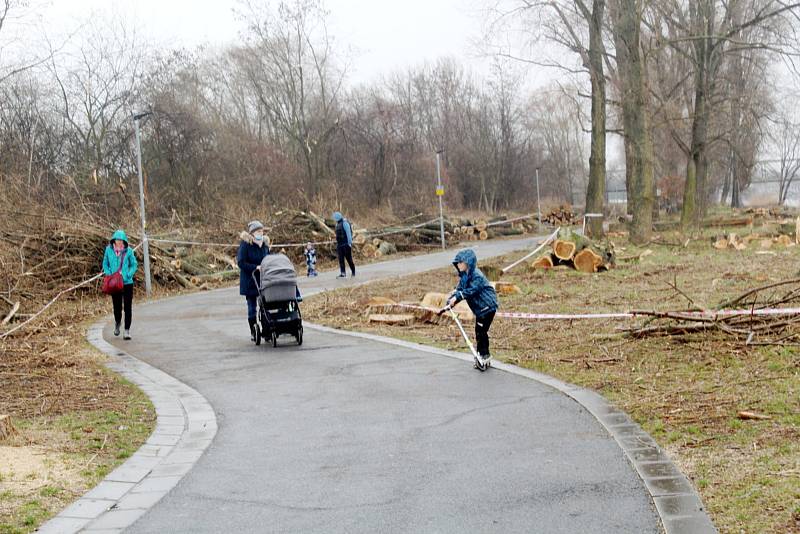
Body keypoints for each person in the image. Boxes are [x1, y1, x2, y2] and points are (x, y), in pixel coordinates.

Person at [444, 249, 498, 366]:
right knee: (480, 331)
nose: (457, 265)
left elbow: (471, 291)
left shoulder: (476, 276)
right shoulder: (465, 276)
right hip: (480, 308)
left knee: (481, 331)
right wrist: (451, 301)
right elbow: (459, 290)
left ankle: (484, 355)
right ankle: (482, 355)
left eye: (460, 262)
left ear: (467, 262)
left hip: (487, 306)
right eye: (456, 263)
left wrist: (458, 296)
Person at [102, 229, 138, 340]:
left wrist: (128, 274)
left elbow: (134, 264)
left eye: (121, 240)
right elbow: (105, 263)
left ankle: (127, 330)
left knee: (128, 307)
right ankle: (118, 323)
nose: (119, 242)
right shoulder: (108, 250)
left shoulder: (129, 251)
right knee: (117, 307)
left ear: (124, 241)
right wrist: (109, 274)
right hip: (114, 283)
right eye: (117, 240)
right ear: (114, 240)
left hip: (127, 283)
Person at [237, 220, 270, 341]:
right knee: (252, 308)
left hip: (264, 280)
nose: (260, 233)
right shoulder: (245, 245)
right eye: (258, 231)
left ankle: (267, 330)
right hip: (250, 280)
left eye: (262, 231)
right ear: (252, 233)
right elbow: (241, 262)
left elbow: (269, 259)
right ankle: (253, 330)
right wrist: (255, 267)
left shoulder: (264, 245)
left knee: (265, 306)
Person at [333, 211, 355, 278]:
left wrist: (349, 243)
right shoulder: (337, 225)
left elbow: (348, 234)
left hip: (346, 244)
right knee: (341, 260)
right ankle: (343, 273)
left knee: (349, 259)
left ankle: (353, 271)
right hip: (339, 245)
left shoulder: (345, 223)